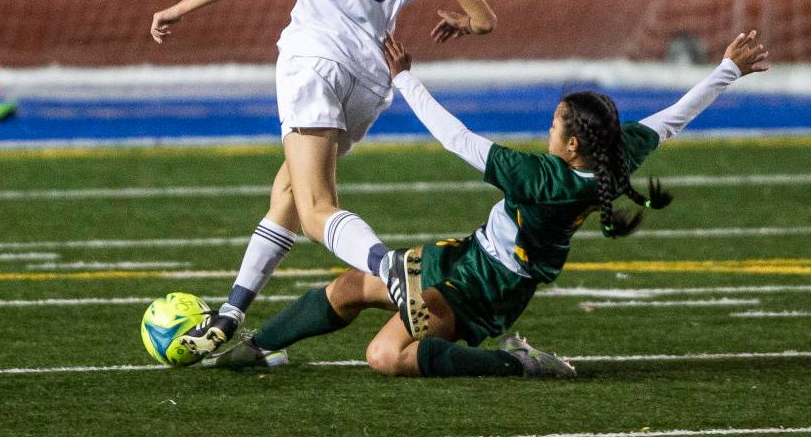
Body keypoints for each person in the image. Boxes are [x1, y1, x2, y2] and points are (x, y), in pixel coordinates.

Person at [205, 31, 770, 377]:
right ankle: (257, 349)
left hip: (486, 291)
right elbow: (671, 119)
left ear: (572, 145)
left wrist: (405, 80)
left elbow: (456, 139)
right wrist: (728, 69)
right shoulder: (615, 155)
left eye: (554, 124)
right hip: (471, 255)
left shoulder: (541, 179)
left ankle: (513, 362)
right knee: (353, 286)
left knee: (386, 356)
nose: (547, 128)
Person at [151, 0, 496, 356]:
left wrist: (179, 8)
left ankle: (387, 265)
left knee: (316, 210)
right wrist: (462, 24)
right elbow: (484, 19)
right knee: (289, 191)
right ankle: (230, 313)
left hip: (313, 61)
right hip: (370, 80)